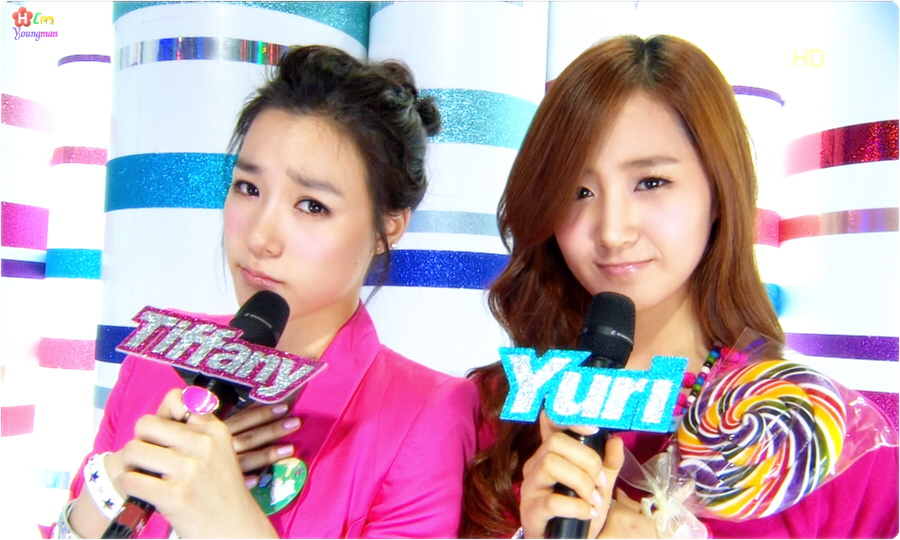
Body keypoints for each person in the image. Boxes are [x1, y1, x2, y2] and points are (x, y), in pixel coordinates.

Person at [460, 34, 899, 539]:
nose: (613, 232)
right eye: (578, 191)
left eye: (650, 182)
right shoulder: (488, 412)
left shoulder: (813, 439)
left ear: (719, 192)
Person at [53, 45, 479, 539]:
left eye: (312, 205)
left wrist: (228, 520)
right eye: (248, 188)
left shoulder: (426, 413)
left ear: (390, 224)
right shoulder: (156, 366)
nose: (259, 238)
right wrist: (112, 485)